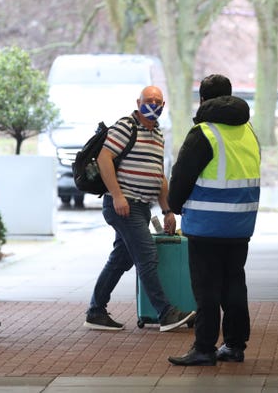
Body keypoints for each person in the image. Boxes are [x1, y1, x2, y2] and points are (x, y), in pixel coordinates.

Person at [84, 85, 195, 332]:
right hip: (124, 205)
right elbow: (104, 158)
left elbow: (159, 176)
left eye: (157, 101)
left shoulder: (157, 134)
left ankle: (95, 311)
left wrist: (167, 211)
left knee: (120, 260)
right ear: (138, 102)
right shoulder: (126, 126)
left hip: (141, 207)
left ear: (163, 106)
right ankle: (166, 313)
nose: (153, 104)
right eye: (148, 100)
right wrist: (117, 195)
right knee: (147, 256)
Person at [167, 74, 260, 366]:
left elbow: (182, 176)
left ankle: (204, 348)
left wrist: (174, 205)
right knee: (234, 284)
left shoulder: (204, 133)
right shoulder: (248, 131)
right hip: (240, 225)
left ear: (203, 100)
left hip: (206, 226)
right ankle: (234, 345)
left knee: (206, 288)